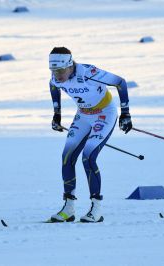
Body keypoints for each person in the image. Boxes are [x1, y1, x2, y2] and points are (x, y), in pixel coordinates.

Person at [48, 47, 132, 223]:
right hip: (84, 115)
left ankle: (96, 208)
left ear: (70, 65)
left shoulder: (89, 72)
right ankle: (68, 208)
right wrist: (57, 114)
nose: (58, 75)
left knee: (88, 157)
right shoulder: (56, 77)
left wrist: (125, 113)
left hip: (104, 113)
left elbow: (120, 82)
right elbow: (53, 86)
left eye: (61, 70)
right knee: (67, 157)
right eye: (54, 70)